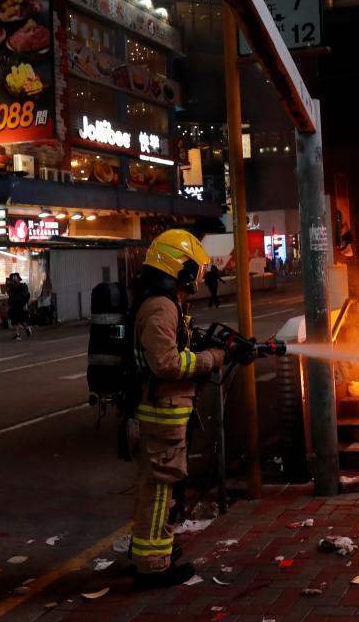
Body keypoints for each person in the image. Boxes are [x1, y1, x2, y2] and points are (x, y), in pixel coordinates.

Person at [126, 230, 235, 589]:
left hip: (162, 412)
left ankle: (151, 551)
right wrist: (212, 358)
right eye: (194, 270)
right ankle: (153, 566)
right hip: (162, 414)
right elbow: (167, 364)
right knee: (160, 490)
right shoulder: (161, 305)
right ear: (178, 267)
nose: (197, 278)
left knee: (156, 488)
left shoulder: (162, 302)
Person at [7, 273, 32, 340]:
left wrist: (25, 304)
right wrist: (10, 285)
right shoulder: (11, 287)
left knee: (22, 320)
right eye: (13, 279)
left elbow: (26, 295)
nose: (14, 280)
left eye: (15, 278)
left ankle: (26, 328)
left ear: (19, 279)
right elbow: (9, 293)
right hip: (13, 306)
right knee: (15, 320)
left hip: (21, 306)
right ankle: (17, 335)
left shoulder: (23, 286)